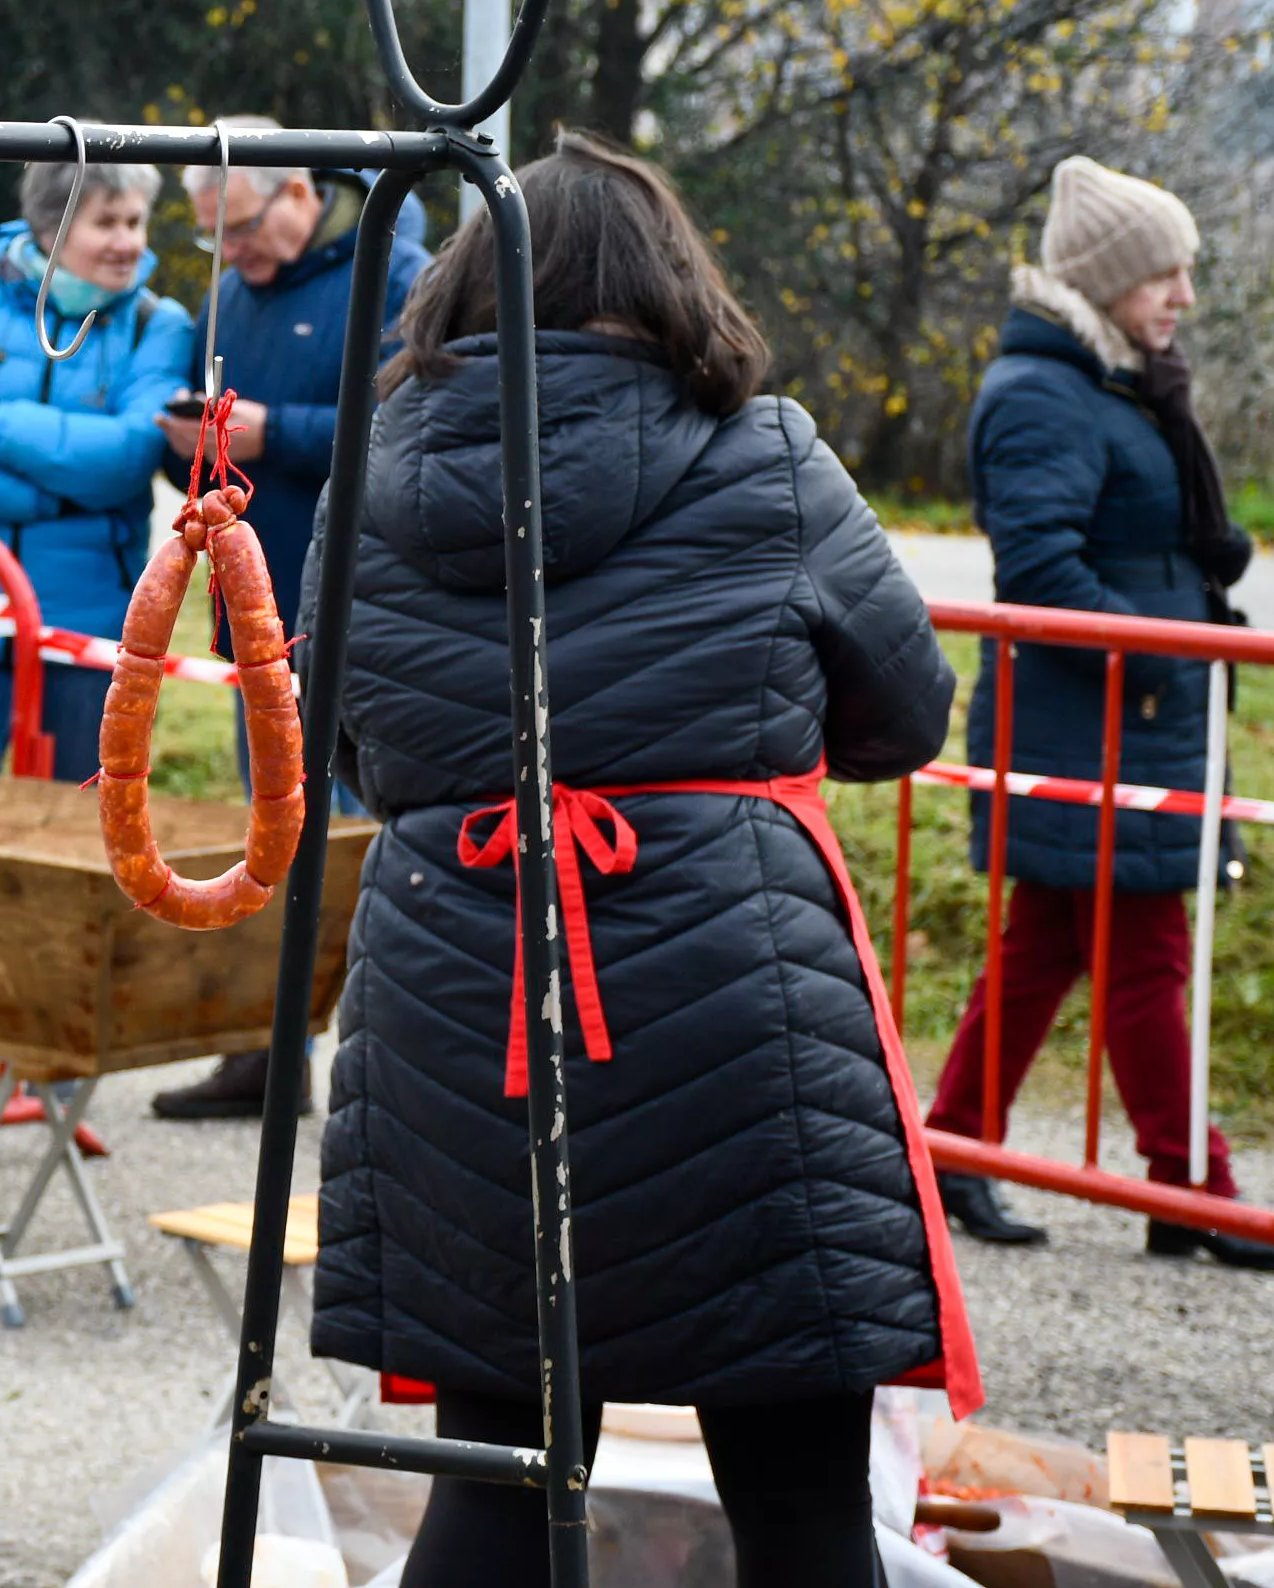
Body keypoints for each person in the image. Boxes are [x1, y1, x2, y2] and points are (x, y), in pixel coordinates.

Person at [310, 133, 972, 1588]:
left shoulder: (367, 477)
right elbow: (908, 710)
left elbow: (342, 742)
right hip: (739, 999)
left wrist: (486, 779)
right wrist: (718, 777)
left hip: (456, 991)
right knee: (801, 1506)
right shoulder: (767, 453)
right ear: (673, 281)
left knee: (489, 1485)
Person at [922, 157, 1274, 1272]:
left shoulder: (1109, 381)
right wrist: (1156, 656)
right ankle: (1199, 1191)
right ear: (1104, 280)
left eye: (1185, 269)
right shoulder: (1046, 392)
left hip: (1115, 718)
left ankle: (953, 1151)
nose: (1183, 293)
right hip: (1097, 720)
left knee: (1046, 949)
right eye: (1162, 273)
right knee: (1144, 957)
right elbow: (1039, 572)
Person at [0, 155, 192, 1120]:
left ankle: (47, 1039)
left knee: (70, 834)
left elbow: (131, 457)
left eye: (138, 220)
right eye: (109, 220)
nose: (130, 242)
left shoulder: (159, 324)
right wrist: (44, 495)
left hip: (85, 623)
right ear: (54, 225)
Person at [147, 118, 429, 1121]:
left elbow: (412, 425)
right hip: (255, 612)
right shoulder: (228, 295)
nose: (230, 256)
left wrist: (280, 433)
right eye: (214, 238)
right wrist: (196, 442)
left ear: (301, 193)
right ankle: (266, 1055)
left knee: (364, 837)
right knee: (266, 830)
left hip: (363, 610)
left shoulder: (400, 276)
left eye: (241, 230)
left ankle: (383, 1055)